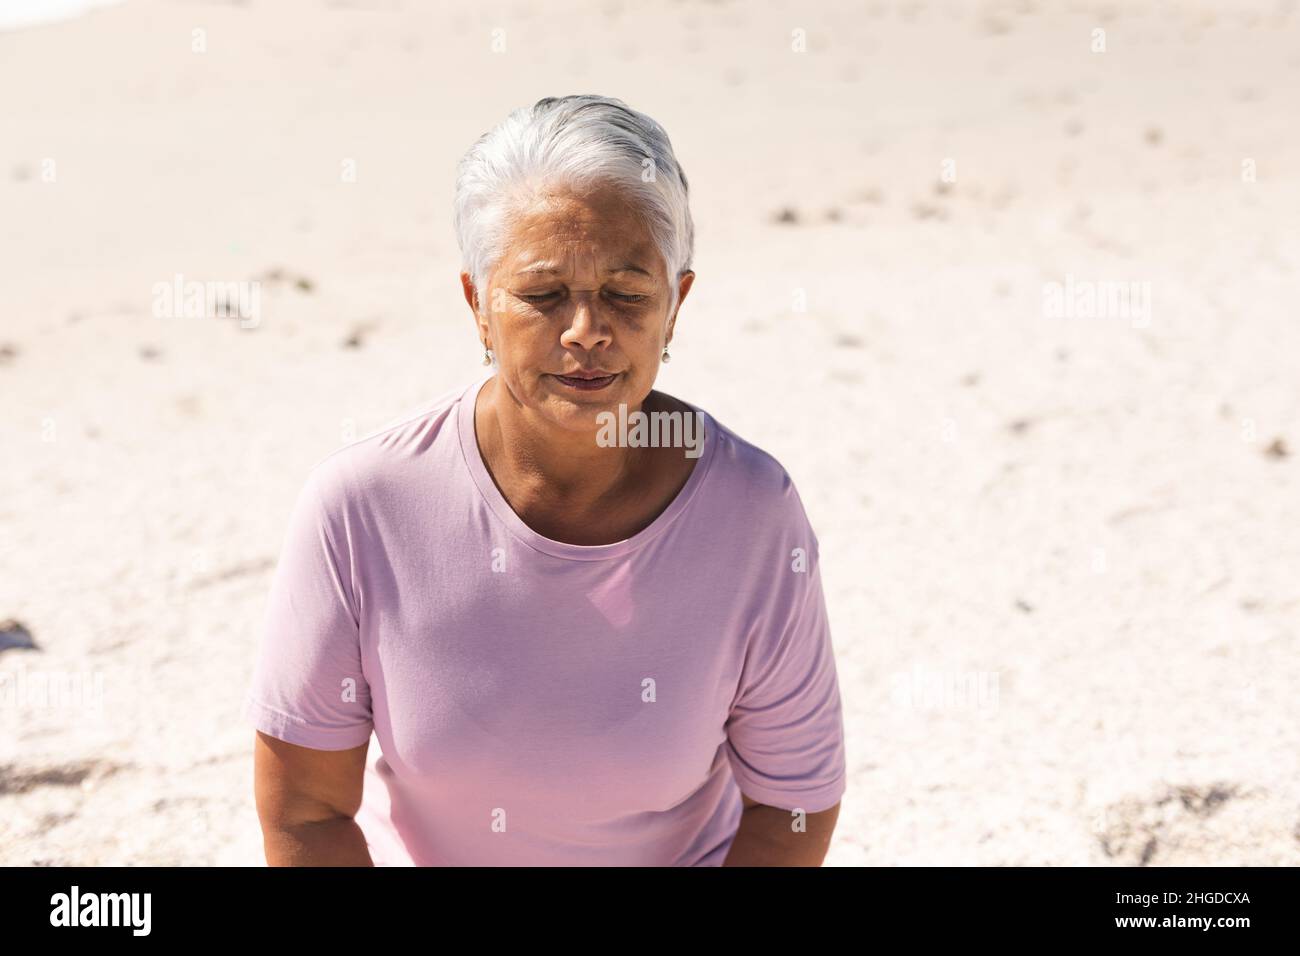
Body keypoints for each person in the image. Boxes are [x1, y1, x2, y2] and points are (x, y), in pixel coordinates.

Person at [243, 94, 846, 866]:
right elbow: (307, 811)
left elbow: (793, 804)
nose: (586, 331)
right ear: (478, 306)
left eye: (627, 294)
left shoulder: (753, 512)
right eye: (542, 294)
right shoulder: (361, 509)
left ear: (675, 305)